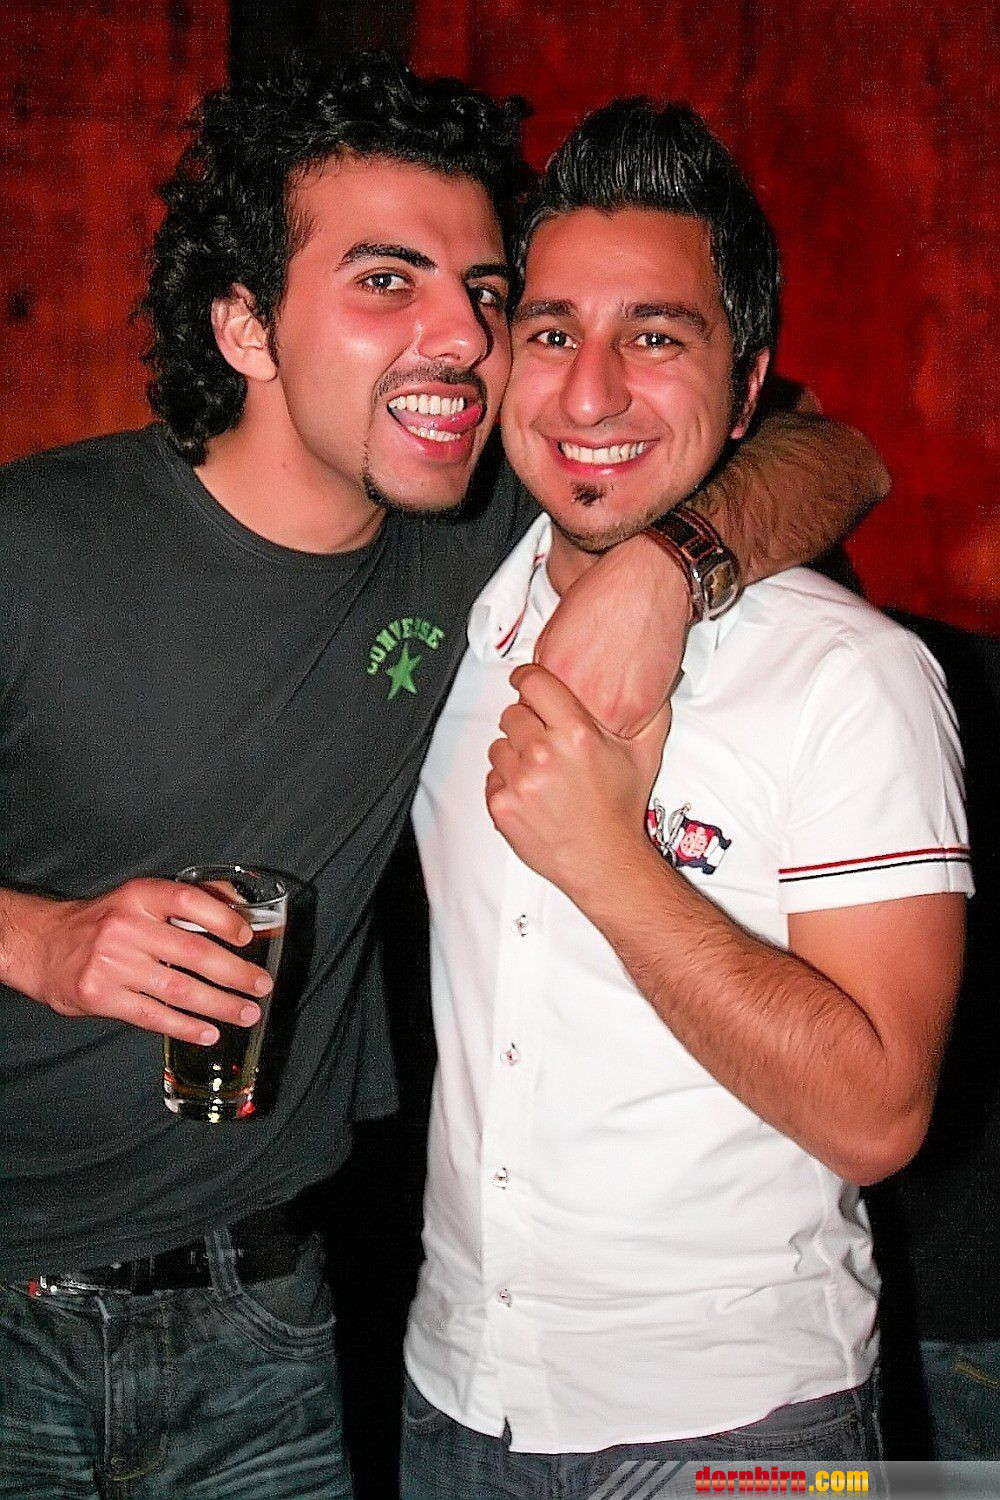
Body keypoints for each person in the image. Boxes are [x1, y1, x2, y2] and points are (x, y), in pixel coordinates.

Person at [0, 55, 886, 1499]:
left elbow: (836, 452)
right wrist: (35, 939)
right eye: (384, 283)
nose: (464, 341)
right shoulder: (36, 546)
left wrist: (672, 565)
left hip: (272, 1330)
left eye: (484, 293)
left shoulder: (476, 542)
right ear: (244, 323)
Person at [400, 98, 972, 1496]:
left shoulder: (852, 677)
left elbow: (878, 1115)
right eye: (552, 334)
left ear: (749, 375)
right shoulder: (445, 611)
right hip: (449, 1402)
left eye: (656, 337)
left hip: (744, 1430)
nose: (590, 395)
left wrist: (609, 861)